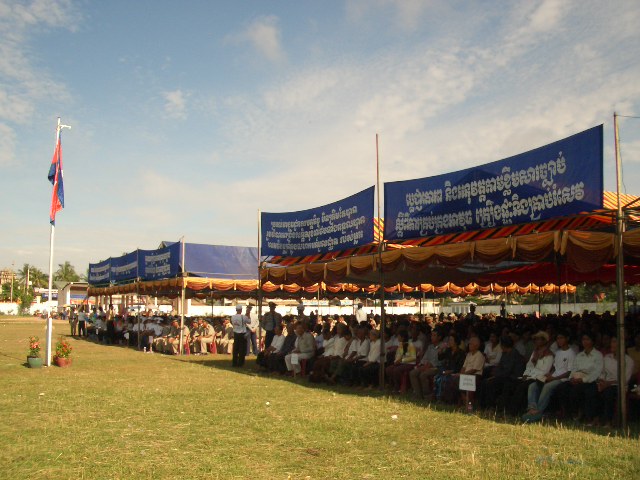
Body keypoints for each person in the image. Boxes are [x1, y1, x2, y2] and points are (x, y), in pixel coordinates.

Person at [523, 330, 575, 422]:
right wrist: (549, 375)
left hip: (563, 379)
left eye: (561, 338)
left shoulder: (571, 353)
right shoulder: (558, 352)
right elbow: (555, 367)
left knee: (547, 387)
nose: (559, 340)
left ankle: (538, 411)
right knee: (533, 385)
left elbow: (569, 371)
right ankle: (532, 408)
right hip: (553, 376)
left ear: (567, 339)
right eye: (558, 338)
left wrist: (554, 378)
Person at [556, 332, 604, 424]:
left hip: (589, 380)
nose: (585, 342)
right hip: (576, 378)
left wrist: (583, 380)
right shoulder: (579, 355)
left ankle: (580, 414)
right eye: (583, 340)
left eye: (587, 339)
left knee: (577, 391)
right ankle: (567, 413)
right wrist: (571, 378)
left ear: (592, 341)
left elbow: (596, 372)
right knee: (561, 388)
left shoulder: (598, 355)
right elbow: (574, 368)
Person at [597, 336, 634, 427]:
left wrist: (608, 384)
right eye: (612, 342)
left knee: (609, 392)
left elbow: (625, 379)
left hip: (619, 386)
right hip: (605, 383)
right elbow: (602, 373)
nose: (612, 344)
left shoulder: (628, 360)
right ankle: (594, 419)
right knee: (591, 389)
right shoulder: (606, 358)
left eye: (614, 342)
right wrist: (601, 382)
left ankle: (608, 421)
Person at [409, 330, 446, 400]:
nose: (432, 337)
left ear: (439, 337)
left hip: (436, 368)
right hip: (426, 366)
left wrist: (427, 366)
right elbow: (425, 358)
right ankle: (418, 395)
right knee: (413, 373)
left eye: (434, 335)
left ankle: (427, 395)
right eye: (432, 335)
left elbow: (439, 361)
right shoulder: (430, 346)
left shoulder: (443, 346)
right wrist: (421, 365)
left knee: (423, 375)